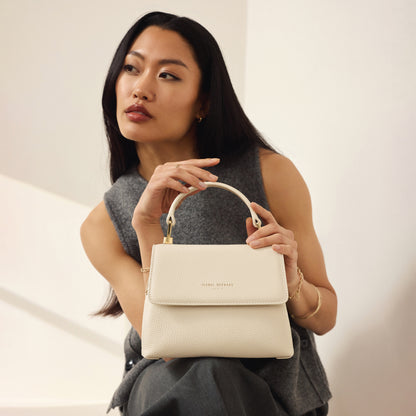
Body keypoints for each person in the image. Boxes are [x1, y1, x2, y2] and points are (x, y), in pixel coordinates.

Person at [80, 11, 337, 416]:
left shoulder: (270, 174)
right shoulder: (103, 223)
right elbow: (164, 343)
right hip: (167, 385)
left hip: (273, 392)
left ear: (204, 101)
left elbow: (325, 318)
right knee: (207, 374)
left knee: (217, 377)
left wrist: (291, 281)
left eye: (168, 75)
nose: (141, 88)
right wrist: (147, 228)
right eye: (131, 68)